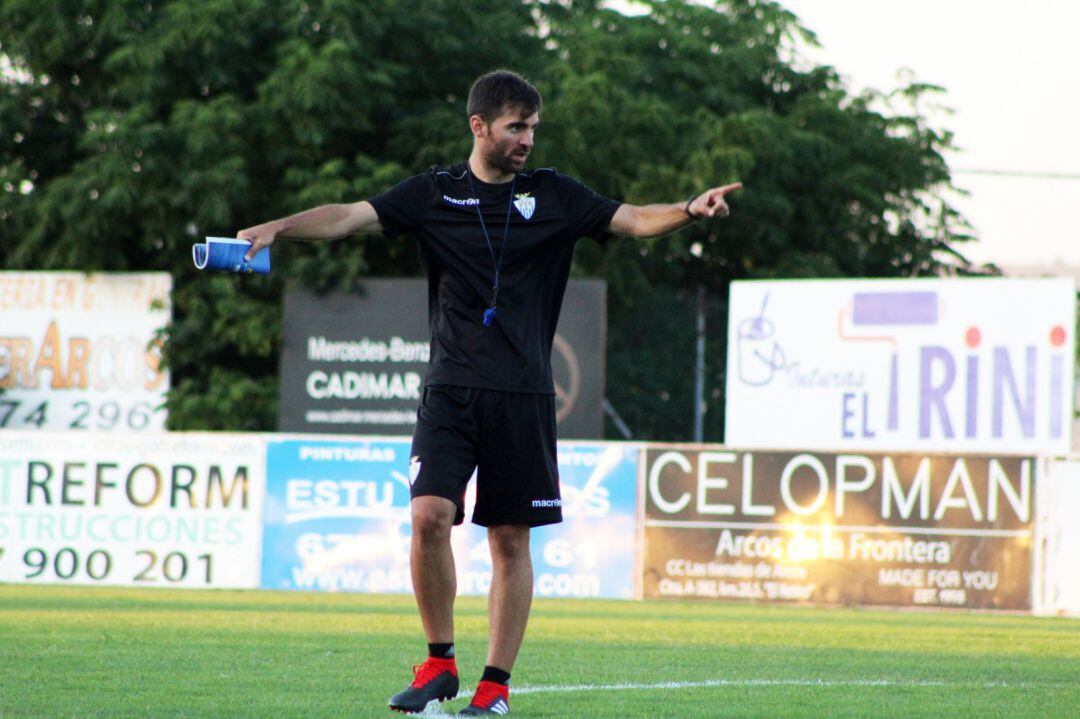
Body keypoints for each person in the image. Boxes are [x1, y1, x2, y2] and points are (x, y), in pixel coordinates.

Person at [239, 70, 740, 716]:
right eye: (515, 127)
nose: (527, 138)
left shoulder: (555, 195)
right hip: (450, 390)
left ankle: (494, 686)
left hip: (524, 394)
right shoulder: (433, 193)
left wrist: (689, 208)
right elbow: (349, 217)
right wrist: (279, 226)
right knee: (428, 518)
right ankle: (438, 663)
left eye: (532, 127)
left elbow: (635, 219)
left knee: (509, 541)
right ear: (479, 126)